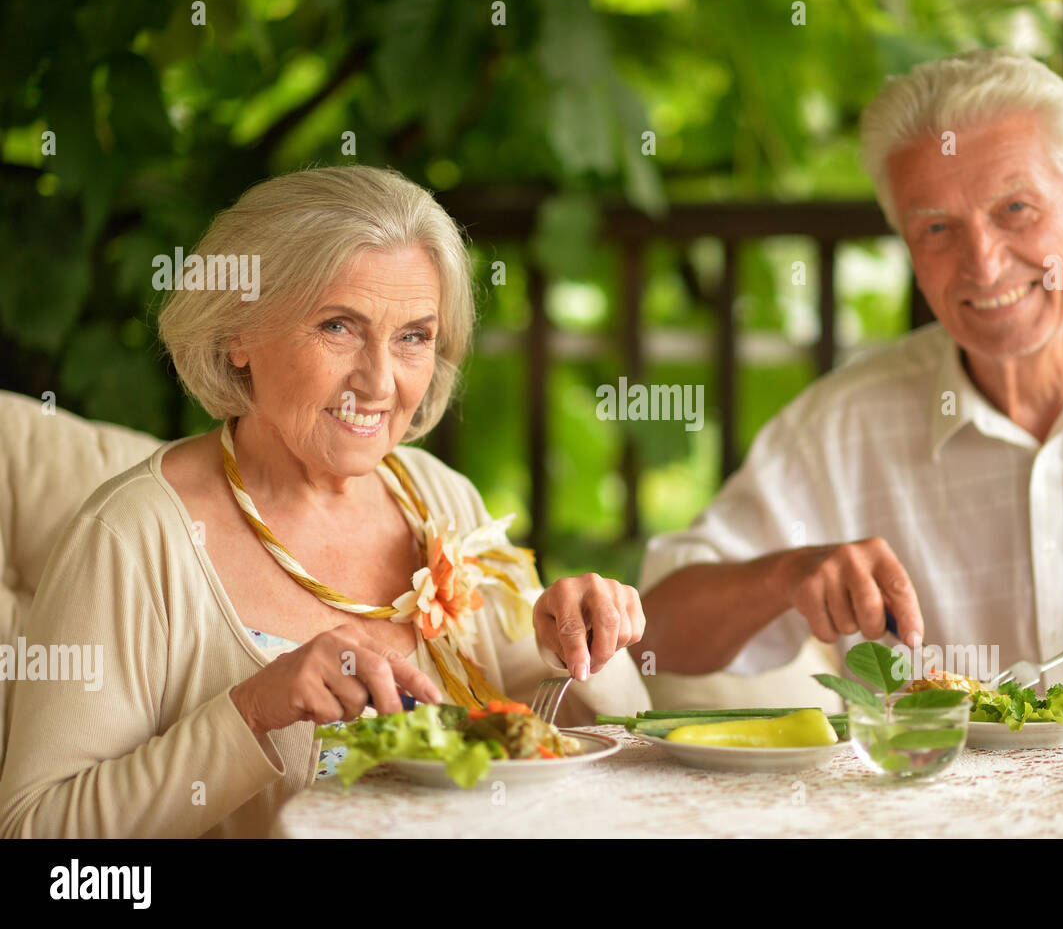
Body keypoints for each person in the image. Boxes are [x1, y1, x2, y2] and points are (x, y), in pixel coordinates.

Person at [636, 49, 1063, 722]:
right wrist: (782, 576)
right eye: (937, 228)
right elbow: (652, 637)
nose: (983, 264)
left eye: (1016, 208)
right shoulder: (841, 426)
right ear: (908, 249)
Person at [0, 165, 649, 838]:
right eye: (339, 326)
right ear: (237, 333)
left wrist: (582, 644)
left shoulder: (440, 498)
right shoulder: (133, 538)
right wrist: (252, 710)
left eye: (413, 336)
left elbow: (588, 753)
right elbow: (38, 835)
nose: (378, 380)